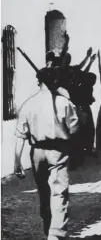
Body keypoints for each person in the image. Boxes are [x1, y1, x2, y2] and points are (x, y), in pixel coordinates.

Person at [14, 68, 79, 240]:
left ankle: (47, 228)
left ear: (38, 82)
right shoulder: (64, 102)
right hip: (58, 150)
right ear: (56, 82)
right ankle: (55, 234)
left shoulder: (28, 104)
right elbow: (74, 128)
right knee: (59, 192)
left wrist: (17, 162)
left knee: (44, 191)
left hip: (37, 152)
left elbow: (21, 136)